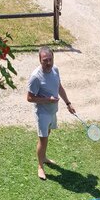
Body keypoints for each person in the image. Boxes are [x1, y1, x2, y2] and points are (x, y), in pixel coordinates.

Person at [27, 46, 75, 180]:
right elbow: (29, 98)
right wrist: (48, 100)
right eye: (45, 60)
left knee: (47, 134)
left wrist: (68, 103)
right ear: (40, 60)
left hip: (52, 111)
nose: (48, 63)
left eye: (50, 60)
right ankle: (40, 166)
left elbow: (59, 87)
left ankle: (43, 157)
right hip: (42, 113)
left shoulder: (55, 70)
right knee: (43, 139)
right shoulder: (36, 77)